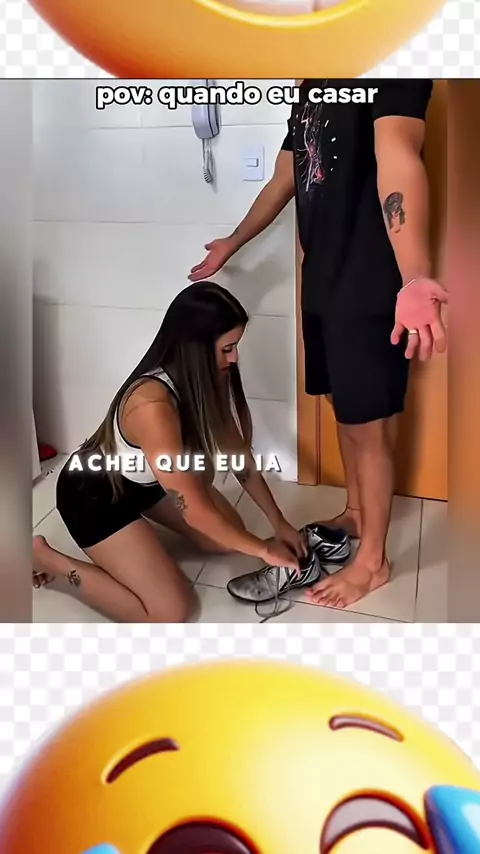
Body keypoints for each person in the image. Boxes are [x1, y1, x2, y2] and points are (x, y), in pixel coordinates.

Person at [189, 79, 448, 611]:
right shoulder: (313, 85)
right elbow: (286, 177)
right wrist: (233, 242)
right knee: (343, 409)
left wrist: (415, 277)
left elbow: (399, 159)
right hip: (323, 279)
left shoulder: (391, 64)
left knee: (367, 424)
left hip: (370, 281)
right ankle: (358, 513)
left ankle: (373, 562)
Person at [33, 282, 308, 623]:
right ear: (195, 349)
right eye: (227, 348)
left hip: (145, 484)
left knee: (226, 538)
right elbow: (195, 511)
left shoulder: (207, 378)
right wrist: (264, 549)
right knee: (170, 612)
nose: (235, 358)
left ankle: (138, 533)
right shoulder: (151, 404)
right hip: (94, 496)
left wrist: (279, 523)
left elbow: (239, 459)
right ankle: (46, 559)